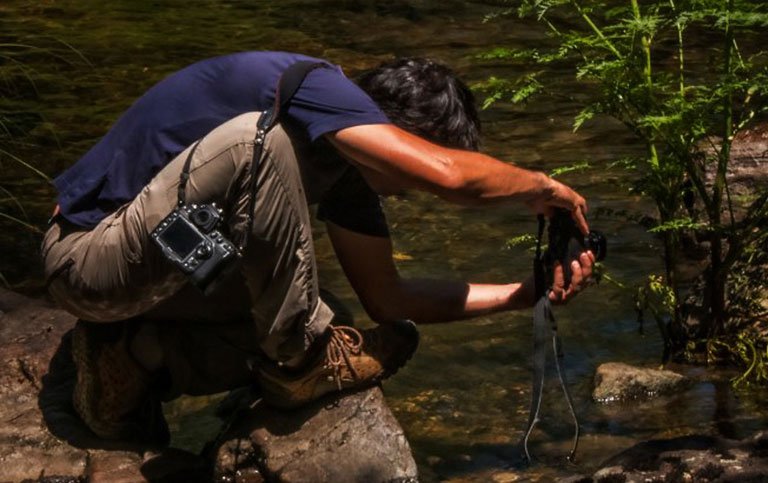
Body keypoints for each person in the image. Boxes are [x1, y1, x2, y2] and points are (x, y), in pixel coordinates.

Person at [42, 51, 595, 444]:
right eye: (406, 170)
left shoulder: (347, 172)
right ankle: (299, 360)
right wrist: (542, 186)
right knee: (259, 143)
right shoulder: (316, 87)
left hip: (153, 281)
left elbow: (392, 301)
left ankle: (134, 360)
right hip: (90, 258)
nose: (404, 191)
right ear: (397, 134)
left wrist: (526, 293)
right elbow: (450, 176)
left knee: (336, 313)